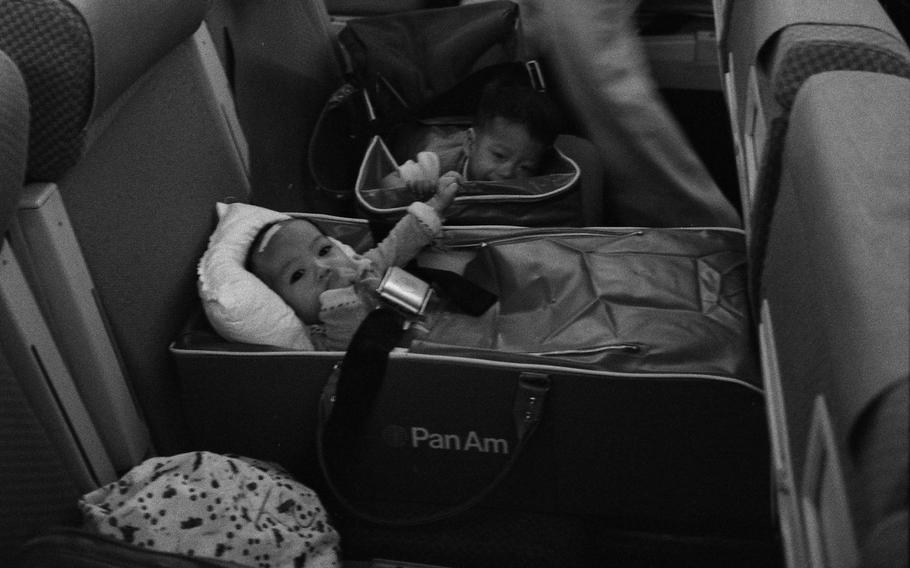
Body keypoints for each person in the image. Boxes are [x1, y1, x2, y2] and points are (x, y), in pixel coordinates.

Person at [247, 171, 461, 351]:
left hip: (444, 322)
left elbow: (397, 244)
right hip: (424, 362)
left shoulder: (364, 268)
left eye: (324, 250)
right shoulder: (320, 335)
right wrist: (340, 299)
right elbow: (353, 345)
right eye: (297, 274)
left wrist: (435, 204)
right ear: (284, 303)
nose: (322, 268)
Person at [381, 79, 562, 194]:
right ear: (470, 143)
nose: (508, 172)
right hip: (423, 137)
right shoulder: (437, 162)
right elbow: (386, 184)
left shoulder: (525, 182)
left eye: (526, 167)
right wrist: (417, 188)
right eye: (499, 155)